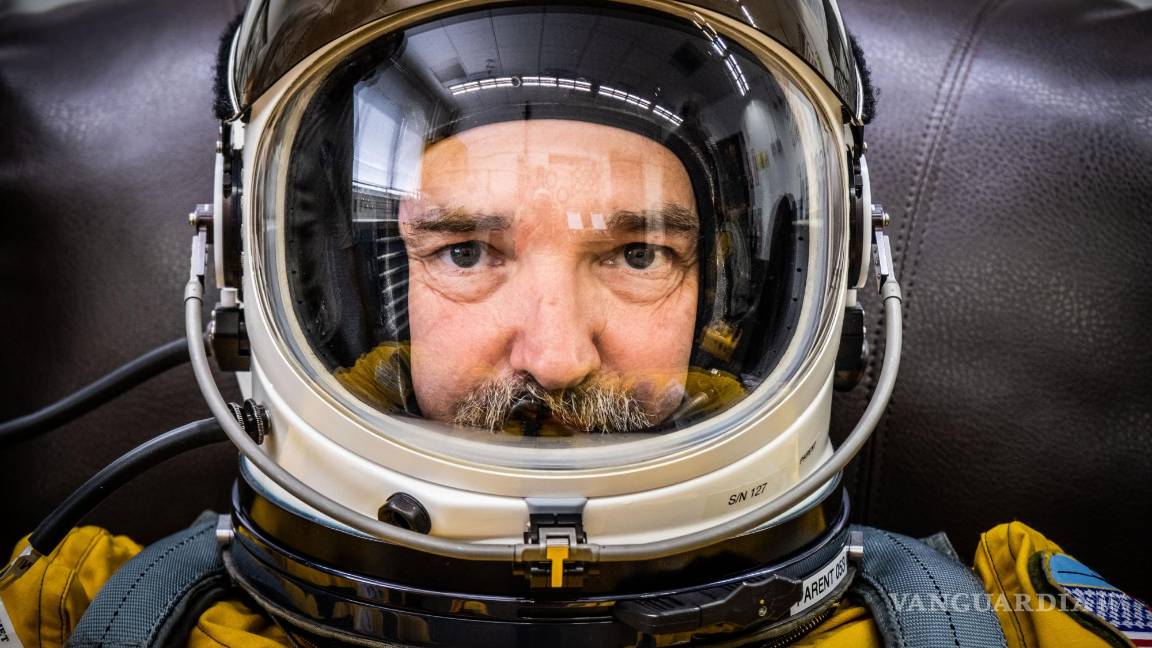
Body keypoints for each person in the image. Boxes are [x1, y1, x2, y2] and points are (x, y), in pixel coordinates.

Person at [2, 0, 1149, 646]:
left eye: (638, 254)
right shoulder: (87, 611)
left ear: (834, 282)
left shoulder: (997, 617)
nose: (554, 353)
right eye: (467, 252)